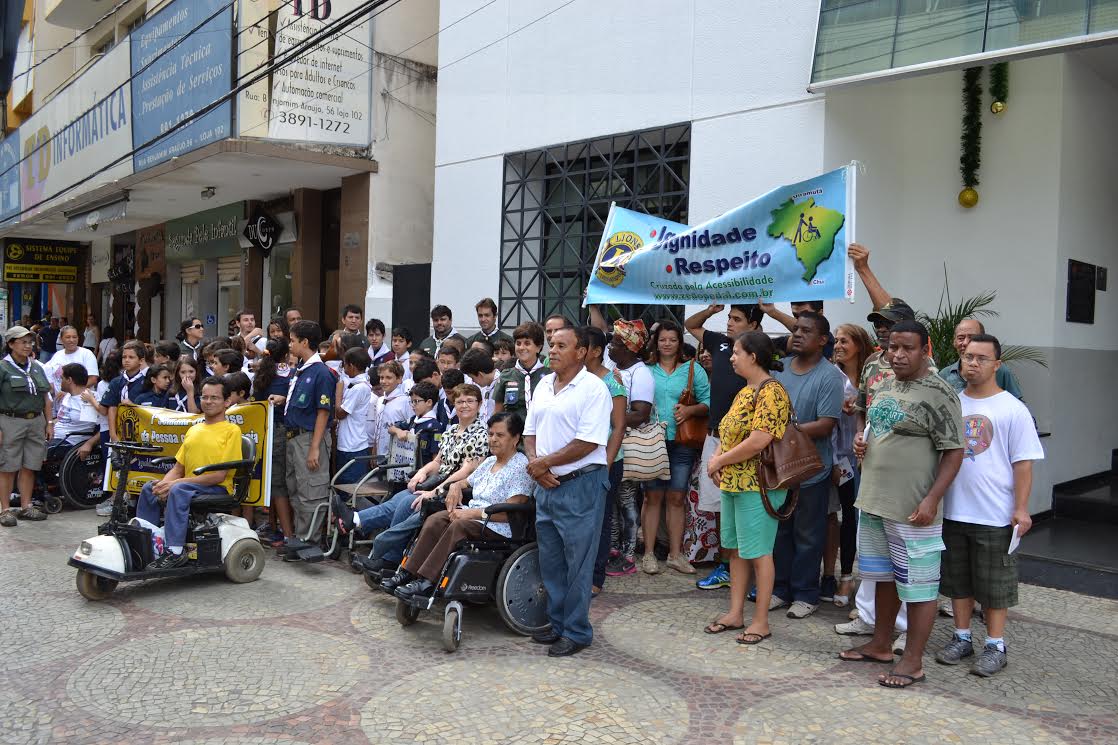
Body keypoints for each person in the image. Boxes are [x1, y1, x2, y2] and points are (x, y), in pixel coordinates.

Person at [840, 320, 964, 689]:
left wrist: (931, 500)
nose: (898, 354)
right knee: (882, 577)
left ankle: (912, 662)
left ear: (925, 349)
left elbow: (954, 452)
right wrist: (862, 438)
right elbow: (878, 427)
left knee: (919, 587)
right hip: (876, 500)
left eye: (907, 348)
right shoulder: (886, 384)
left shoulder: (940, 391)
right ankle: (880, 644)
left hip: (913, 509)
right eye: (893, 347)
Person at [935, 334, 1043, 677]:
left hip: (995, 513)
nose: (973, 363)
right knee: (958, 580)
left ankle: (995, 644)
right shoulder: (952, 403)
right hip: (954, 510)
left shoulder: (1013, 409)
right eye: (968, 356)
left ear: (997, 365)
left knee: (995, 585)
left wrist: (1021, 508)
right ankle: (962, 637)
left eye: (982, 358)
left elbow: (1023, 463)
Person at [334, 383, 489, 573]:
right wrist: (422, 473)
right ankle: (359, 524)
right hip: (437, 480)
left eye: (470, 401)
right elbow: (438, 461)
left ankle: (385, 556)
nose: (464, 405)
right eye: (460, 401)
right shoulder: (451, 430)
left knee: (407, 503)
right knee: (401, 497)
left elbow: (467, 470)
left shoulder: (481, 434)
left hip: (457, 488)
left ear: (479, 405)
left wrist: (434, 491)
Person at [524, 326, 612, 657]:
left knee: (578, 562)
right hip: (547, 485)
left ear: (581, 352)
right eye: (552, 345)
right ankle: (557, 623)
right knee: (552, 561)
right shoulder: (544, 383)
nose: (553, 350)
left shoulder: (594, 389)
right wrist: (536, 464)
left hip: (580, 484)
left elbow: (588, 441)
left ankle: (576, 631)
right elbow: (529, 431)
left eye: (562, 345)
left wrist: (542, 464)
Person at [703, 331, 791, 644]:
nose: (731, 357)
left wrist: (719, 461)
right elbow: (727, 431)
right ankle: (735, 612)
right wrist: (717, 460)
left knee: (759, 553)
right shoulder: (745, 391)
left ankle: (761, 621)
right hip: (734, 483)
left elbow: (759, 440)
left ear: (753, 357)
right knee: (737, 550)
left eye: (737, 352)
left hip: (758, 485)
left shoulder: (772, 391)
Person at [394, 412, 535, 599]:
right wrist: (455, 485)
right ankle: (408, 571)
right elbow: (467, 481)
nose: (493, 439)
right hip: (474, 517)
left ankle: (427, 581)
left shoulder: (520, 467)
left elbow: (511, 514)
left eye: (500, 435)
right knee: (436, 519)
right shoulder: (490, 461)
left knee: (458, 525)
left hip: (499, 526)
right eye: (490, 434)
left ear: (515, 438)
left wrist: (472, 514)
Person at [770, 311, 845, 618]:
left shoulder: (829, 376)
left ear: (823, 340)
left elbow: (826, 425)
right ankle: (780, 589)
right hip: (779, 467)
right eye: (796, 329)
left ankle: (806, 594)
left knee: (808, 534)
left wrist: (784, 430)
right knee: (780, 531)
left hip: (812, 469)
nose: (797, 334)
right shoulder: (781, 368)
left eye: (806, 331)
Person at [684, 303, 764, 589]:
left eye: (737, 319)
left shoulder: (762, 350)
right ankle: (726, 567)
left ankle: (754, 574)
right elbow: (691, 324)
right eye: (728, 318)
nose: (729, 323)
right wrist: (710, 309)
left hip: (747, 443)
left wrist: (771, 310)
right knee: (719, 506)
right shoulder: (718, 342)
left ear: (753, 325)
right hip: (716, 438)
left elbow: (795, 334)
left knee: (748, 508)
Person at [136, 377, 243, 569]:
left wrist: (175, 484)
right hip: (190, 485)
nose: (208, 401)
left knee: (178, 490)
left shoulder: (231, 430)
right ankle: (147, 542)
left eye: (215, 398)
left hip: (216, 488)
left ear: (227, 402)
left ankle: (175, 551)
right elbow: (178, 469)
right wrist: (163, 485)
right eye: (205, 396)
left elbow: (219, 476)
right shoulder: (194, 429)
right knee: (149, 488)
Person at [642, 320, 711, 576]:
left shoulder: (694, 370)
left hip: (682, 441)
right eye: (662, 340)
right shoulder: (645, 370)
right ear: (656, 343)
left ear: (680, 343)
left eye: (672, 339)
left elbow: (708, 402)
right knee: (652, 497)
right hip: (652, 441)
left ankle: (675, 554)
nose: (667, 344)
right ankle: (648, 554)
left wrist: (690, 410)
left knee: (677, 497)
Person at [825, 323, 875, 607]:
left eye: (845, 341)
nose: (839, 345)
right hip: (842, 459)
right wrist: (833, 461)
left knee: (866, 520)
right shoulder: (833, 376)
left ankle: (870, 581)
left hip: (870, 460)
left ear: (859, 344)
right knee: (847, 516)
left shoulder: (874, 377)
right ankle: (845, 576)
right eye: (837, 341)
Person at [603, 319, 654, 577]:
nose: (610, 344)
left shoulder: (641, 373)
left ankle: (628, 554)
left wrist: (610, 418)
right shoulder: (614, 365)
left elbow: (641, 413)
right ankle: (613, 549)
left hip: (630, 444)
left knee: (626, 500)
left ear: (630, 347)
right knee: (612, 501)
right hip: (614, 441)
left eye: (616, 341)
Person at [283, 321, 336, 543]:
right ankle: (299, 536)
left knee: (311, 492)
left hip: (309, 438)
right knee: (296, 489)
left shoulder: (321, 373)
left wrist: (315, 447)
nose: (289, 345)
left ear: (305, 342)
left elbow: (323, 412)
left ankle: (309, 541)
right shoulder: (301, 370)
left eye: (293, 340)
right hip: (293, 438)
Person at [585, 327, 628, 596]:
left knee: (601, 521)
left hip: (606, 461)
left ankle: (596, 577)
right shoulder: (575, 379)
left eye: (582, 346)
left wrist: (607, 463)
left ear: (596, 351)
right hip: (580, 460)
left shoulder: (613, 382)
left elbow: (619, 426)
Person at [0, 327, 52, 527]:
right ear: (11, 344)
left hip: (36, 420)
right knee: (7, 466)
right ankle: (5, 510)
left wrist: (49, 423)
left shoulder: (37, 366)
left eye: (30, 342)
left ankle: (25, 506)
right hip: (10, 420)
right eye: (22, 342)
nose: (27, 345)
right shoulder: (3, 367)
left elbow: (46, 397)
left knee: (31, 465)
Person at [252, 337, 294, 545]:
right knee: (280, 485)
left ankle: (273, 526)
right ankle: (288, 535)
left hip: (266, 432)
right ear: (286, 354)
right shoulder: (290, 376)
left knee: (273, 483)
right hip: (282, 433)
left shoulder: (262, 375)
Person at [938, 319, 1024, 400]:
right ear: (954, 342)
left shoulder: (999, 371)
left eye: (972, 337)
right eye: (961, 338)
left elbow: (1017, 405)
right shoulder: (944, 375)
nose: (965, 343)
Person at [491, 321, 547, 419]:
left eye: (527, 343)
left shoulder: (549, 376)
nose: (521, 347)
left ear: (538, 347)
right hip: (513, 432)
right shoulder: (506, 375)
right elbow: (497, 413)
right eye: (518, 343)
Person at [48, 363, 102, 463]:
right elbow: (60, 420)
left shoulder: (87, 400)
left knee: (34, 453)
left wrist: (89, 443)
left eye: (62, 378)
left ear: (69, 380)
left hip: (71, 442)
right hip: (56, 437)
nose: (60, 381)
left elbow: (102, 427)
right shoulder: (68, 395)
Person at [335, 348, 374, 483]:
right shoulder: (355, 384)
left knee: (349, 491)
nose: (344, 368)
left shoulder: (359, 387)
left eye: (345, 364)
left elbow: (340, 413)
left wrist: (338, 392)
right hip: (347, 444)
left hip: (353, 447)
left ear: (351, 366)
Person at [386, 381, 445, 468]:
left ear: (429, 402)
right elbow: (390, 428)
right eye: (411, 402)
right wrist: (398, 431)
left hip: (423, 473)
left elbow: (435, 457)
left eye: (416, 401)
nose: (412, 405)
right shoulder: (413, 420)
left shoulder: (434, 426)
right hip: (406, 469)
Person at [102, 340, 151, 442]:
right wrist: (113, 434)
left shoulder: (148, 380)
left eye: (131, 357)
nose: (126, 360)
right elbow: (112, 407)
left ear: (141, 361)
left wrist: (133, 405)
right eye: (124, 357)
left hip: (142, 430)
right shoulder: (117, 381)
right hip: (121, 431)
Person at [45, 325, 99, 392]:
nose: (71, 340)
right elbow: (48, 372)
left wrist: (72, 392)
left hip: (81, 399)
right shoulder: (57, 355)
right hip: (60, 400)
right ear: (61, 340)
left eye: (74, 337)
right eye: (68, 337)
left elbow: (93, 379)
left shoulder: (86, 354)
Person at [459, 348, 498, 422]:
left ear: (480, 374)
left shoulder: (501, 385)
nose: (473, 381)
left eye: (472, 378)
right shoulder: (483, 386)